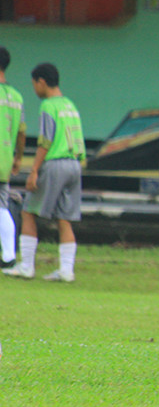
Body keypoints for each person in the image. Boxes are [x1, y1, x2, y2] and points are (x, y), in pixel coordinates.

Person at [3, 63, 85, 282]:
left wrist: (34, 170)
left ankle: (26, 266)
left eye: (34, 84)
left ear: (41, 82)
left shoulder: (49, 106)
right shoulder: (70, 105)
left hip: (55, 163)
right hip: (74, 164)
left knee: (28, 211)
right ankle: (67, 271)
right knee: (64, 217)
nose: (34, 89)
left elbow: (45, 141)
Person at [0, 46, 26, 269]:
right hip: (5, 159)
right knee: (1, 206)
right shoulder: (16, 97)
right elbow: (21, 131)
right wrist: (18, 158)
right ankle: (8, 256)